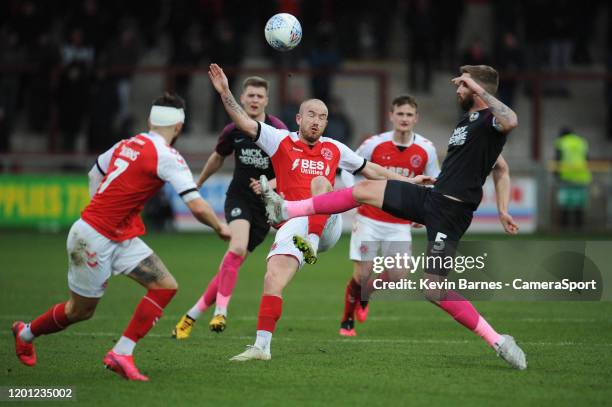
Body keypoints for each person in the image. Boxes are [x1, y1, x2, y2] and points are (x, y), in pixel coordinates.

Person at [263, 65, 527, 370]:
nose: (457, 89)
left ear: (477, 88)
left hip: (451, 213)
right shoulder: (468, 123)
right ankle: (286, 209)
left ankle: (499, 341)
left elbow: (510, 126)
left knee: (434, 289)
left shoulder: (491, 122)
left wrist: (502, 209)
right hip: (432, 198)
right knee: (363, 190)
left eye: (463, 85)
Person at [206, 63, 433, 362]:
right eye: (311, 115)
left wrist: (409, 179)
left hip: (326, 227)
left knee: (320, 182)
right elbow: (244, 123)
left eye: (323, 117)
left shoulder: (334, 148)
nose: (316, 121)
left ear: (326, 123)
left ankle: (311, 244)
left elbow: (373, 169)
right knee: (272, 277)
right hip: (294, 222)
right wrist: (225, 92)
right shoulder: (279, 140)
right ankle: (262, 346)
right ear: (298, 118)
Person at [11, 94, 231, 381]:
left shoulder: (126, 143)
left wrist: (104, 210)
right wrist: (220, 227)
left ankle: (121, 353)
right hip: (91, 238)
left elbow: (95, 173)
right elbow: (196, 205)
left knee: (164, 286)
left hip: (119, 235)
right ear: (179, 128)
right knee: (79, 311)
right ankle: (25, 333)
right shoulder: (168, 156)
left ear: (151, 120)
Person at [173, 77, 288, 337]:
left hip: (263, 209)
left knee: (231, 264)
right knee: (235, 248)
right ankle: (220, 312)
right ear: (243, 98)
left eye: (260, 96)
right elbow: (218, 156)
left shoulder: (277, 131)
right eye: (250, 95)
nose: (255, 100)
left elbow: (289, 170)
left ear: (267, 101)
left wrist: (268, 184)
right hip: (238, 197)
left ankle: (191, 316)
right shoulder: (233, 130)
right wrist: (198, 183)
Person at [338, 95, 440, 337]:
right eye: (400, 114)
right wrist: (356, 195)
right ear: (391, 116)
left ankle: (367, 294)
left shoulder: (426, 148)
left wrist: (422, 211)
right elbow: (348, 167)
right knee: (362, 274)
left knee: (398, 275)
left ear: (416, 118)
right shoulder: (374, 144)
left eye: (409, 115)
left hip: (400, 222)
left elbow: (435, 183)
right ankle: (346, 320)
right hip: (369, 218)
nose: (404, 119)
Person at [554, 127, 592, 229]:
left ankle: (565, 226)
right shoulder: (582, 142)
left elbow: (558, 158)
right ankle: (579, 226)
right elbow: (587, 158)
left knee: (565, 202)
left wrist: (556, 174)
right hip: (582, 176)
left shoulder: (561, 142)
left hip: (566, 176)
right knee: (579, 203)